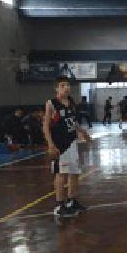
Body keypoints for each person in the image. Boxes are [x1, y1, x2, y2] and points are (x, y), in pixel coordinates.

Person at [43, 77, 91, 224]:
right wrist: (50, 144)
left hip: (72, 143)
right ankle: (60, 204)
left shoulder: (71, 103)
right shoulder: (51, 103)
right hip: (60, 145)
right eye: (62, 85)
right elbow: (45, 126)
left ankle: (72, 201)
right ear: (56, 89)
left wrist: (83, 131)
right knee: (61, 175)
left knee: (75, 174)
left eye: (68, 85)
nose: (66, 88)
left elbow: (73, 121)